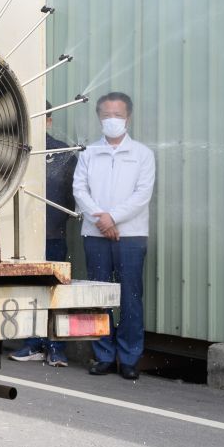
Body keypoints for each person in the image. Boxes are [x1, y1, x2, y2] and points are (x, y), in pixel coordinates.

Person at [72, 91, 155, 381]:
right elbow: (79, 190)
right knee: (98, 295)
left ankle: (129, 357)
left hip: (131, 236)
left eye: (118, 115)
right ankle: (103, 355)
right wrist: (101, 219)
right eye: (106, 115)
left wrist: (113, 218)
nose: (112, 120)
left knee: (131, 296)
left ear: (128, 117)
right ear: (99, 118)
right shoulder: (89, 153)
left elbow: (142, 195)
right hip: (95, 234)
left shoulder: (143, 154)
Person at [11, 101, 79, 367]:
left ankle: (56, 347)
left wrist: (55, 224)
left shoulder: (63, 152)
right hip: (22, 238)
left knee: (54, 291)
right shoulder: (14, 149)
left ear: (49, 120)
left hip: (52, 235)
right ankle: (32, 343)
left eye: (42, 117)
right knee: (28, 291)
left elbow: (70, 196)